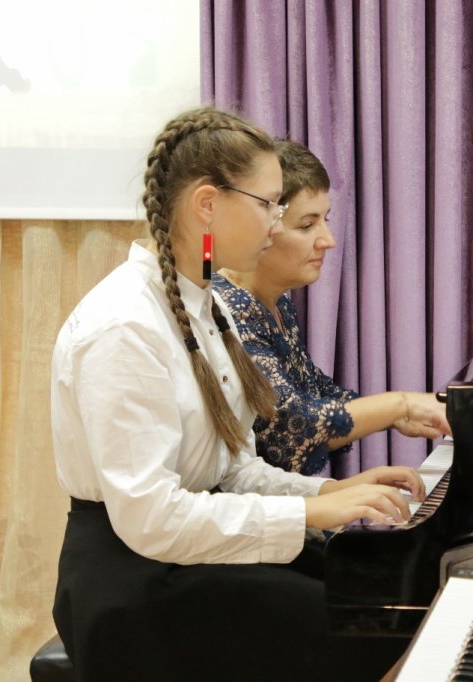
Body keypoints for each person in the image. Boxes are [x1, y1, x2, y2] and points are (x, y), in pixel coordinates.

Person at [50, 107, 423, 682]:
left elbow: (232, 469)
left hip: (188, 552)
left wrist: (329, 490)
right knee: (365, 629)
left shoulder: (208, 303)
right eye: (268, 204)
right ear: (208, 204)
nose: (276, 224)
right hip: (137, 583)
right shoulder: (125, 327)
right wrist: (309, 511)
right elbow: (151, 518)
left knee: (388, 598)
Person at [213, 140, 449, 476]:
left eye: (325, 220)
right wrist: (400, 405)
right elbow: (294, 429)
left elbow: (316, 391)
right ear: (261, 226)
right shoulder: (229, 309)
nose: (328, 240)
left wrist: (397, 415)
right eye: (307, 225)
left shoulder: (277, 302)